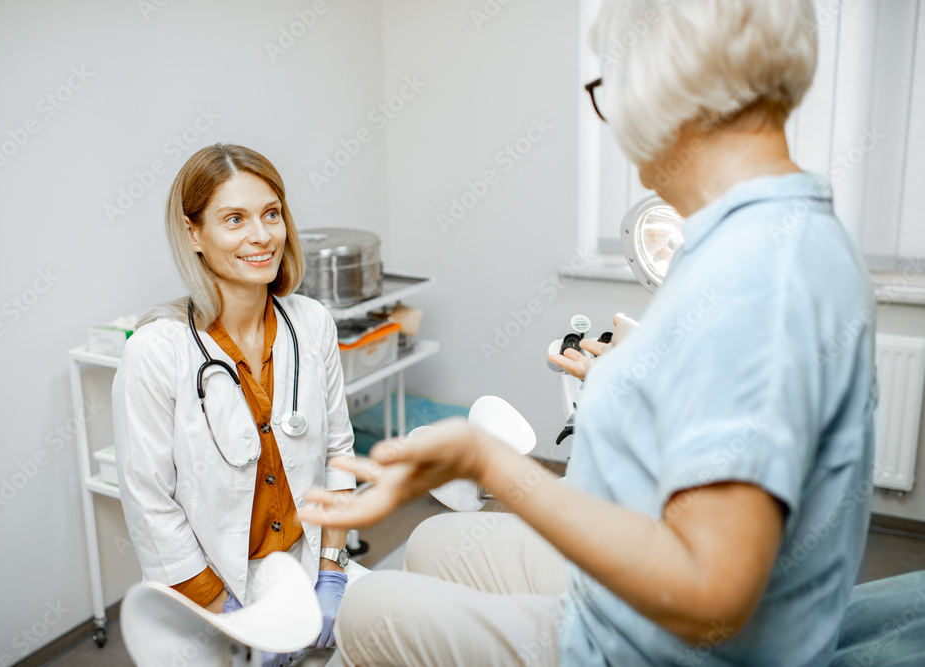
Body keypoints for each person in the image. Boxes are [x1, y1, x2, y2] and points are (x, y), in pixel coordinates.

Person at [299, 0, 878, 665]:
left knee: (369, 611)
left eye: (609, 89)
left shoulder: (754, 277)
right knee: (432, 543)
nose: (615, 122)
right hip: (646, 587)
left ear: (668, 82)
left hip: (654, 645)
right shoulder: (784, 232)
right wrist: (633, 375)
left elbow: (708, 596)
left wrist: (488, 462)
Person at [112, 143, 356, 666]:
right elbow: (150, 504)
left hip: (308, 562)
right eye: (234, 219)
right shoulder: (156, 351)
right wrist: (234, 620)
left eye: (271, 214)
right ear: (193, 233)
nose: (261, 235)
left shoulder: (311, 323)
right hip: (213, 590)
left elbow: (339, 452)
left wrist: (333, 570)